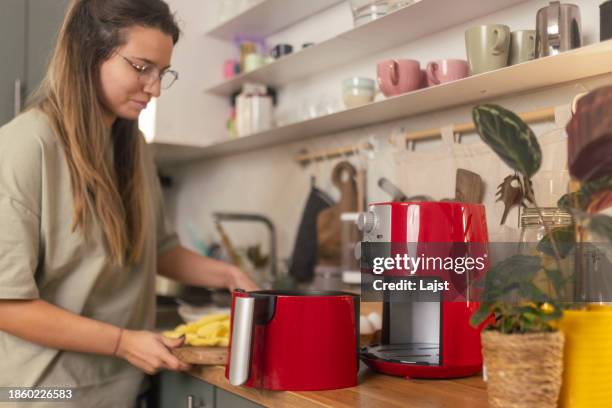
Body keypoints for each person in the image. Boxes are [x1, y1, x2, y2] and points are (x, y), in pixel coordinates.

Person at [0, 0, 257, 406]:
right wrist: (122, 342)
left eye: (162, 73)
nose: (154, 88)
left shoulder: (132, 145)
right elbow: (7, 304)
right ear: (88, 51)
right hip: (43, 392)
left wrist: (228, 275)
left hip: (119, 386)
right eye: (141, 68)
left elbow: (159, 248)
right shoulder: (24, 147)